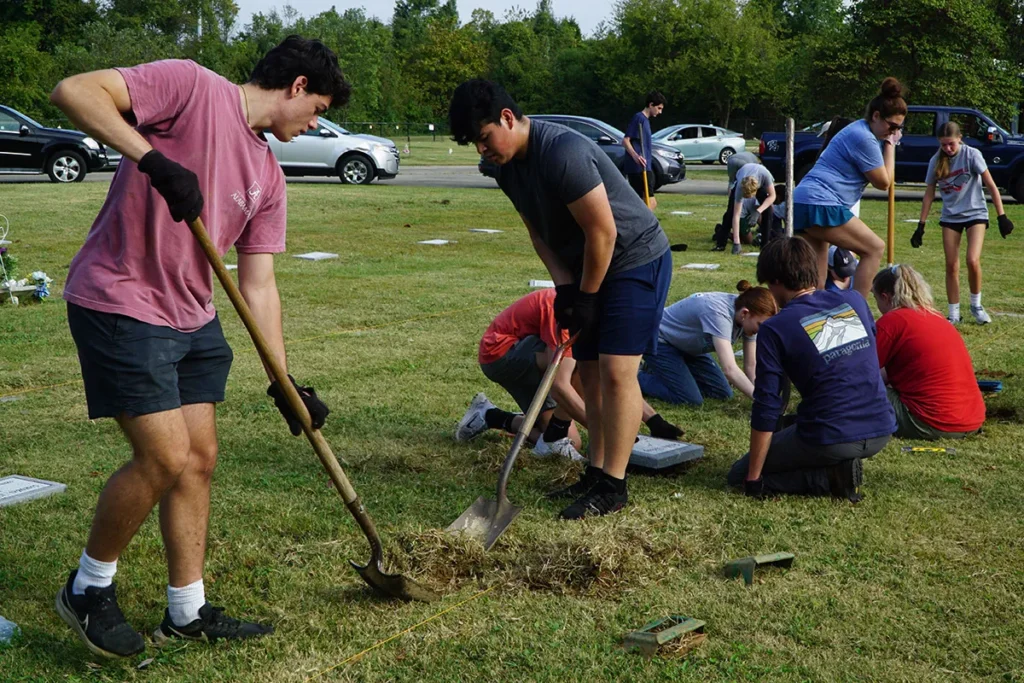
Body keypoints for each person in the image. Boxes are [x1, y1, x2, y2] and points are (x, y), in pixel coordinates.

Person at [49, 36, 348, 658]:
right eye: (316, 109)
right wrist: (152, 159)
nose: (315, 123)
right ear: (295, 86)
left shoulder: (268, 173)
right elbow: (75, 91)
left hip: (193, 317)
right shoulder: (191, 86)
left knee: (199, 460)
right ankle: (87, 587)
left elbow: (259, 285)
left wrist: (284, 383)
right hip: (120, 300)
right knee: (164, 457)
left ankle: (187, 609)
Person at [449, 80, 672, 520]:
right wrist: (566, 290)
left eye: (484, 137)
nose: (481, 150)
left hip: (634, 258)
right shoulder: (508, 168)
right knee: (587, 374)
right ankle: (595, 472)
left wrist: (586, 296)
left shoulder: (562, 152)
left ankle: (614, 484)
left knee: (615, 371)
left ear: (508, 119)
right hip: (589, 265)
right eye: (473, 143)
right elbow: (540, 233)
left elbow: (603, 232)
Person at [727, 237, 895, 502]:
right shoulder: (854, 300)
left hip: (832, 434)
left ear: (776, 282)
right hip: (881, 427)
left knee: (737, 474)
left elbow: (767, 405)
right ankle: (833, 464)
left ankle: (827, 477)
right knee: (790, 426)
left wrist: (753, 478)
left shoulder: (774, 328)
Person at [454, 290, 684, 458]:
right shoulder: (568, 317)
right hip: (501, 356)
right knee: (576, 370)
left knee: (571, 441)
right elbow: (561, 385)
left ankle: (490, 415)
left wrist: (654, 420)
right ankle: (552, 432)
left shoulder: (598, 321)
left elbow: (613, 377)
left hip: (537, 355)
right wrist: (604, 431)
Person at [791, 78, 907, 298]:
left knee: (816, 281)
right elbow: (883, 182)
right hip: (820, 202)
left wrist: (888, 138)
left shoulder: (859, 130)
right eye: (891, 126)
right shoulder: (863, 137)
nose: (892, 132)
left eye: (898, 128)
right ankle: (855, 313)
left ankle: (810, 317)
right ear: (875, 116)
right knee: (874, 249)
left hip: (805, 200)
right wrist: (891, 145)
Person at [911, 121, 1014, 324]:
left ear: (960, 139)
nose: (948, 149)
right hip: (951, 216)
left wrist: (1002, 216)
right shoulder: (936, 161)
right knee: (951, 265)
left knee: (972, 260)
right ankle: (954, 314)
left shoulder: (971, 154)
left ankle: (976, 305)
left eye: (951, 144)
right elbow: (929, 193)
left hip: (975, 212)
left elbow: (991, 185)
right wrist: (920, 225)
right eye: (944, 145)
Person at [871, 264, 985, 439]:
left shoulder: (892, 321)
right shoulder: (936, 317)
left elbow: (861, 372)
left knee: (856, 391)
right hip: (972, 419)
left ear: (885, 297)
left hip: (932, 422)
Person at [638, 281, 778, 405]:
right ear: (744, 314)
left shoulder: (749, 317)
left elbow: (751, 365)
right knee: (690, 399)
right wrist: (762, 401)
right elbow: (730, 369)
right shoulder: (719, 314)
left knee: (722, 394)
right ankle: (636, 376)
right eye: (760, 325)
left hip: (688, 347)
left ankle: (662, 370)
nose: (761, 331)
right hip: (659, 341)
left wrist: (762, 394)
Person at [622, 90, 666, 209]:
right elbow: (626, 141)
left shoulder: (645, 121)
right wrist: (636, 157)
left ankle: (639, 224)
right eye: (659, 108)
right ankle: (644, 225)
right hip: (638, 169)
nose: (660, 111)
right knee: (649, 203)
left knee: (646, 203)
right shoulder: (639, 118)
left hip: (646, 166)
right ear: (651, 105)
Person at [728, 164, 776, 254]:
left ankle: (765, 245)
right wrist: (736, 243)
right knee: (730, 212)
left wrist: (758, 211)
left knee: (769, 211)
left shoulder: (765, 175)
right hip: (743, 173)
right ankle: (722, 240)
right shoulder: (739, 187)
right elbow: (736, 215)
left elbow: (773, 196)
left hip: (760, 177)